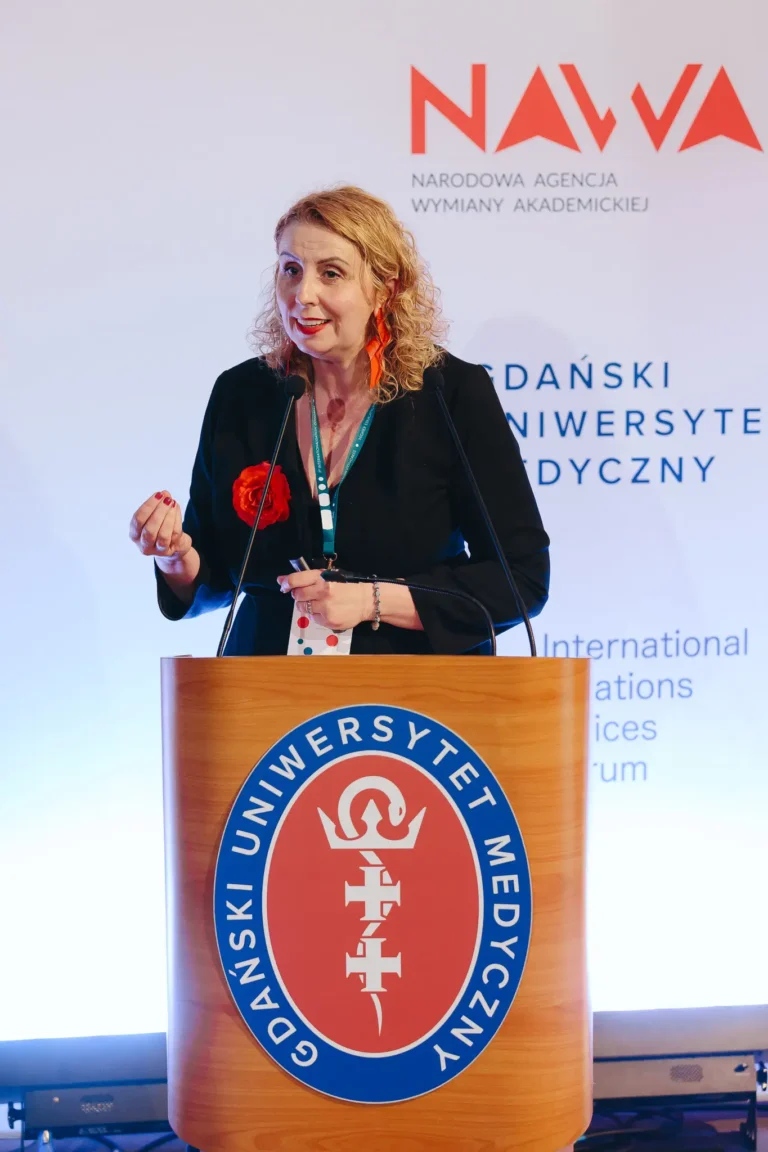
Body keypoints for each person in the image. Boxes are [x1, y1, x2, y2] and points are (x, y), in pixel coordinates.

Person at [128, 186, 549, 655]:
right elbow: (218, 574)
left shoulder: (449, 393)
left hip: (413, 682)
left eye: (331, 274)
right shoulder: (242, 394)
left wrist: (373, 601)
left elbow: (521, 578)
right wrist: (175, 557)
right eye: (291, 270)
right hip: (263, 682)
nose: (303, 294)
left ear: (384, 289)